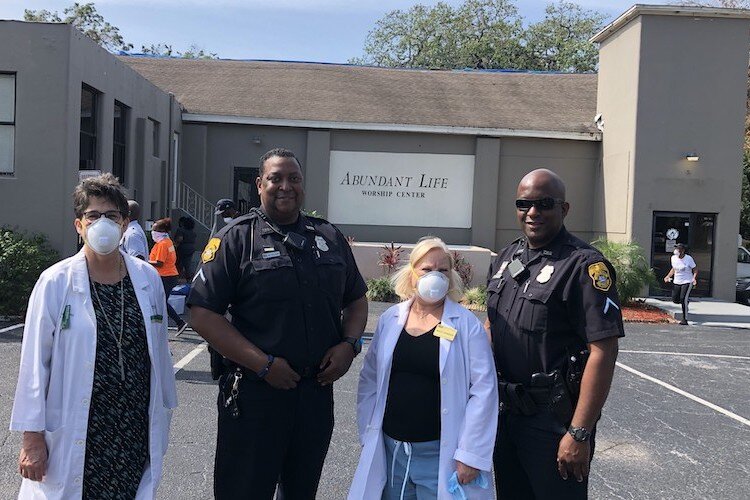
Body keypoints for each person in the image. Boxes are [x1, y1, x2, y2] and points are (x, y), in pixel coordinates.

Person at [187, 147, 368, 499]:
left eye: (294, 178)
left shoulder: (328, 238)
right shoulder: (235, 239)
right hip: (255, 394)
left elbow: (357, 299)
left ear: (303, 185)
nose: (286, 186)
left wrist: (349, 345)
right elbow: (202, 312)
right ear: (259, 184)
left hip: (315, 392)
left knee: (302, 490)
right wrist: (263, 364)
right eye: (275, 178)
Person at [11, 173, 177, 499]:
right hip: (78, 424)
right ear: (79, 226)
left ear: (125, 222)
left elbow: (157, 352)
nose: (102, 223)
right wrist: (32, 438)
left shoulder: (146, 279)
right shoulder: (55, 282)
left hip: (131, 428)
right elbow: (34, 362)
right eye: (93, 215)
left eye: (111, 216)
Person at [486, 169, 624, 500]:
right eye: (525, 204)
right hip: (505, 415)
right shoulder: (506, 259)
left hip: (553, 421)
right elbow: (491, 327)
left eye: (545, 204)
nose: (533, 212)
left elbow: (603, 351)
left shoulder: (585, 266)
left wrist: (579, 432)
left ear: (564, 209)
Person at [350, 237, 498, 500]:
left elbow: (484, 390)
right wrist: (368, 432)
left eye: (443, 270)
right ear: (412, 273)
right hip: (391, 451)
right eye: (427, 269)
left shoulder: (465, 325)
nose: (435, 276)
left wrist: (471, 454)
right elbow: (370, 380)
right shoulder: (390, 319)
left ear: (451, 276)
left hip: (440, 453)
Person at [149, 218, 188, 335]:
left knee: (160, 302)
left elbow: (159, 263)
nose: (152, 232)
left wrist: (144, 261)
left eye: (154, 229)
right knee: (160, 301)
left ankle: (179, 322)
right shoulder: (168, 242)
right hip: (170, 275)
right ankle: (173, 323)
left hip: (165, 276)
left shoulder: (162, 244)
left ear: (161, 230)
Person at [663, 243, 697, 325]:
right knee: (675, 299)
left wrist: (694, 278)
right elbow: (674, 269)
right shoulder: (673, 258)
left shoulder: (688, 259)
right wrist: (667, 276)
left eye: (679, 249)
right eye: (676, 249)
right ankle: (686, 301)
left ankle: (684, 319)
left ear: (683, 250)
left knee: (683, 298)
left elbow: (695, 269)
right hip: (677, 281)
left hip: (687, 281)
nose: (677, 250)